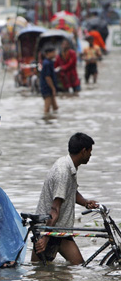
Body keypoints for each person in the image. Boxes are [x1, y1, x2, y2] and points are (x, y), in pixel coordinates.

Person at [33, 133, 99, 265]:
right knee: (39, 272)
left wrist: (85, 203)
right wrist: (46, 237)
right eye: (90, 152)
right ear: (83, 151)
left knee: (78, 266)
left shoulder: (69, 167)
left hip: (60, 230)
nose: (91, 155)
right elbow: (54, 209)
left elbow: (70, 192)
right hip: (51, 230)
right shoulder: (63, 172)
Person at [39, 47, 59, 115]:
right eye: (53, 52)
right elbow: (47, 77)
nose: (54, 54)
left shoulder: (49, 62)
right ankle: (46, 121)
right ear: (48, 53)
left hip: (49, 87)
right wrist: (53, 88)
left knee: (55, 107)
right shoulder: (47, 63)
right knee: (47, 108)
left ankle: (53, 120)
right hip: (47, 87)